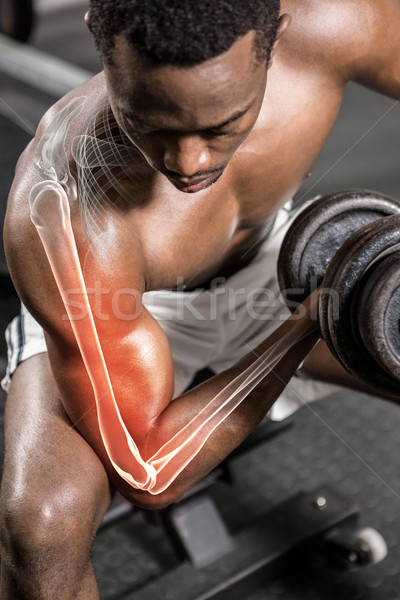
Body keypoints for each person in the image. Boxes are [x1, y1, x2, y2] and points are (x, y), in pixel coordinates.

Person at [1, 0, 399, 597]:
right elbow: (150, 471)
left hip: (274, 263)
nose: (188, 163)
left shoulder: (337, 24)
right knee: (41, 524)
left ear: (276, 37)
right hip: (116, 305)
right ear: (99, 41)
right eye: (151, 123)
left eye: (222, 125)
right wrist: (311, 318)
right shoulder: (60, 211)